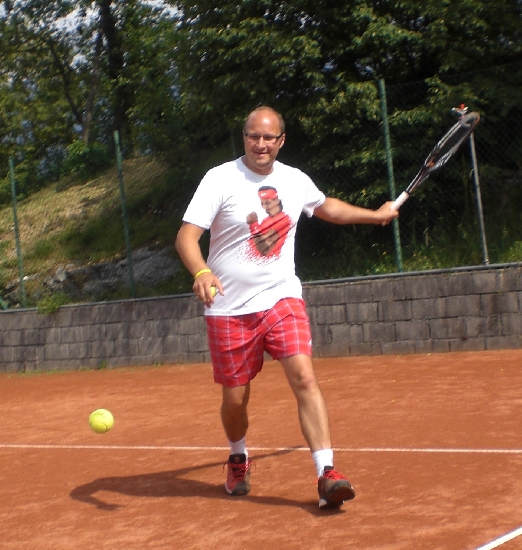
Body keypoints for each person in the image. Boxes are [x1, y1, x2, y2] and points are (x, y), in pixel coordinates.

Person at [175, 106, 398, 509]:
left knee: (304, 376)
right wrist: (202, 272)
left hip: (281, 298)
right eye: (253, 136)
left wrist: (375, 216)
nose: (260, 144)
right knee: (235, 401)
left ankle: (327, 474)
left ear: (281, 140)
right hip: (228, 309)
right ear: (244, 137)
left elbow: (327, 207)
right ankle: (238, 456)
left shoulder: (294, 180)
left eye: (268, 137)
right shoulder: (219, 179)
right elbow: (186, 237)